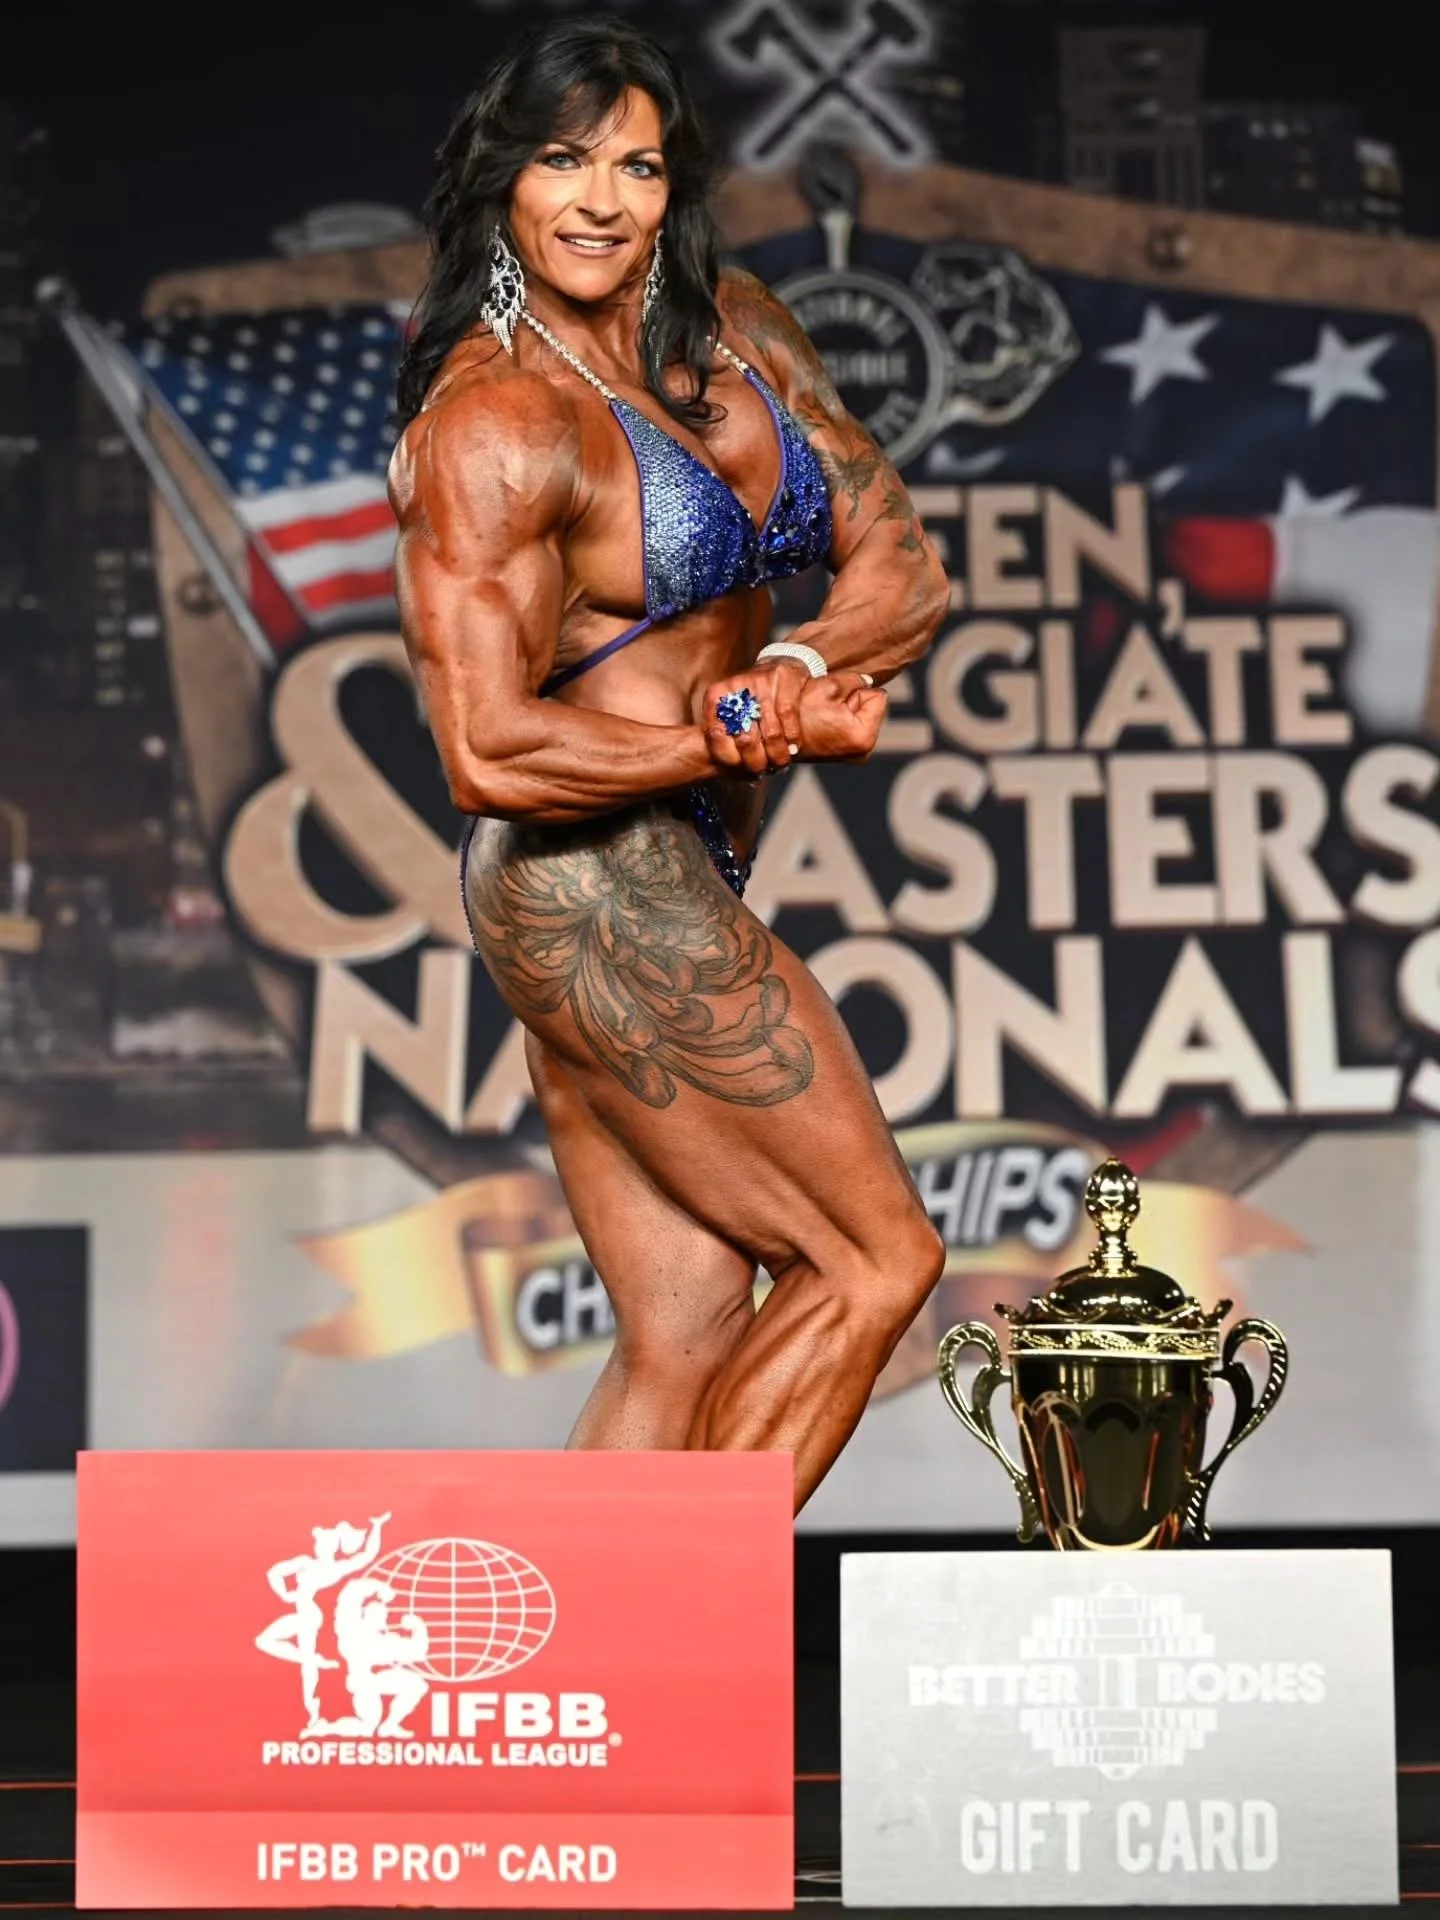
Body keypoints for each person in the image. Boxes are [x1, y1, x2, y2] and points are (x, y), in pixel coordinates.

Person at [390, 17, 948, 1513]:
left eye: (636, 164)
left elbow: (899, 559)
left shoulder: (741, 327)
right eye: (562, 160)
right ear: (501, 182)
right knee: (875, 1256)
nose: (600, 199)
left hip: (677, 861)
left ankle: (580, 1706)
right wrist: (728, 730)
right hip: (585, 878)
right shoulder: (495, 419)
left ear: (674, 185)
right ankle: (682, 1659)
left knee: (685, 1329)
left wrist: (808, 664)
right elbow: (487, 745)